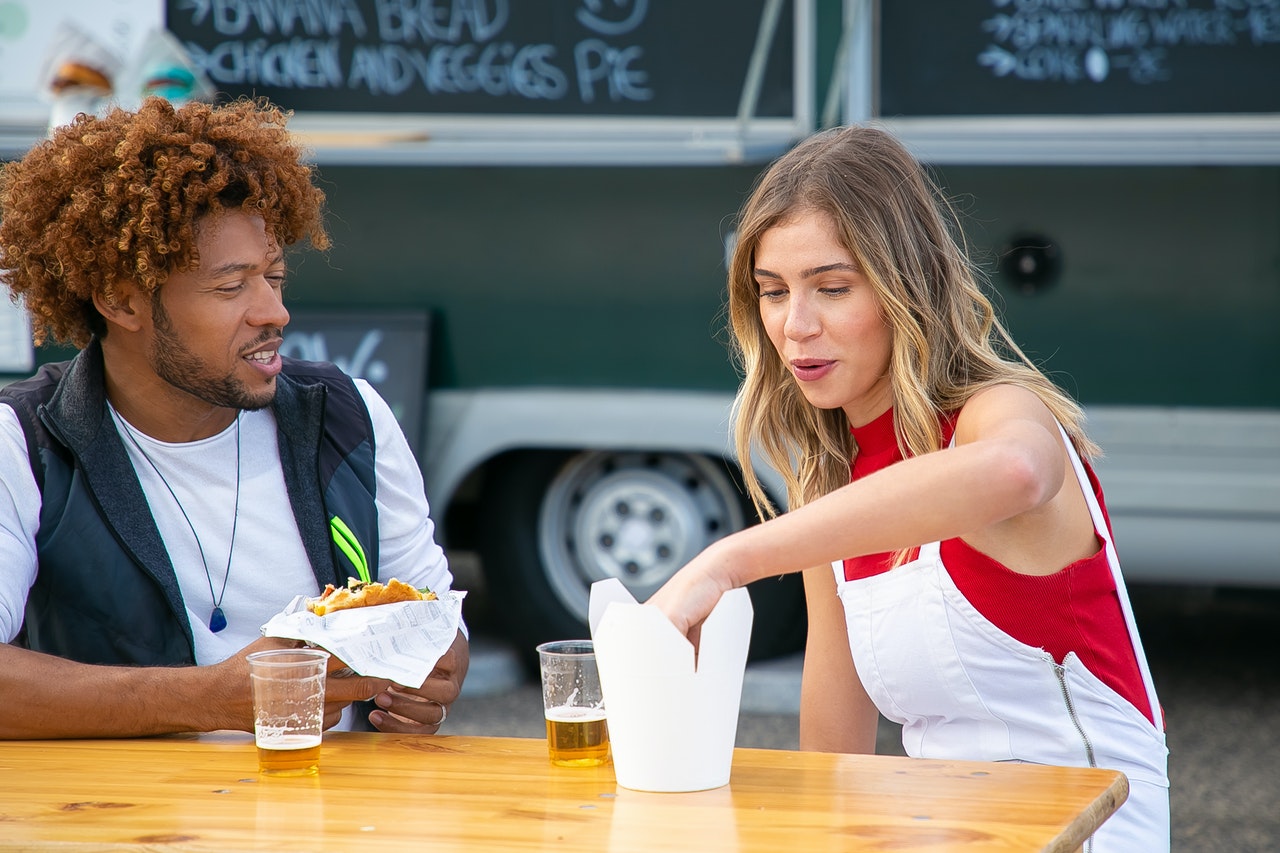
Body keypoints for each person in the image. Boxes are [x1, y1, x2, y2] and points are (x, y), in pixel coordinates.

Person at [646, 126, 1169, 850]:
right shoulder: (831, 479)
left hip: (1085, 829)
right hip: (942, 831)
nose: (795, 326)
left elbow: (1017, 470)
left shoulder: (1000, 414)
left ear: (905, 285)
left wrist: (726, 561)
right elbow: (835, 755)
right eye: (772, 292)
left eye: (831, 288)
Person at [0, 97, 468, 739]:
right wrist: (209, 700)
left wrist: (431, 673)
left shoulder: (347, 414)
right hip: (119, 826)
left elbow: (437, 621)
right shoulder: (22, 444)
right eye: (231, 287)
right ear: (120, 299)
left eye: (274, 278)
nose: (274, 312)